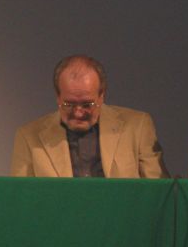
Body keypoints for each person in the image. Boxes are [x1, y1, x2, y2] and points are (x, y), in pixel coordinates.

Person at [11, 55, 169, 178]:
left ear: (102, 96)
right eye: (69, 104)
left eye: (87, 104)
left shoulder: (137, 127)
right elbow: (19, 199)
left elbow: (158, 193)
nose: (78, 112)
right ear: (57, 97)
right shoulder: (28, 137)